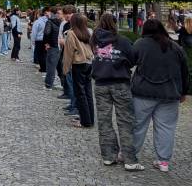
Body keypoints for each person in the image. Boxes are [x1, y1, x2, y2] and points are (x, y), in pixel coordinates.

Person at [131, 19, 189, 173]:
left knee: (137, 125)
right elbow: (185, 72)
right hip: (170, 93)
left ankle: (129, 154)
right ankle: (163, 161)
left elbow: (129, 62)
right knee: (166, 128)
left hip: (143, 92)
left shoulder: (140, 44)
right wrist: (183, 92)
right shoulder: (175, 47)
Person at [89, 13, 142, 170]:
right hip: (120, 83)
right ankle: (129, 159)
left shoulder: (94, 40)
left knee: (104, 121)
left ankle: (108, 156)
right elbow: (133, 59)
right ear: (115, 23)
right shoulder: (123, 41)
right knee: (125, 121)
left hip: (100, 83)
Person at [62, 14, 94, 128]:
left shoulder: (71, 33)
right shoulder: (88, 32)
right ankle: (90, 119)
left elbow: (68, 52)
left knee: (80, 93)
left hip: (79, 64)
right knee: (88, 93)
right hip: (89, 63)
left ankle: (85, 121)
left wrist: (65, 69)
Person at [43, 7, 62, 89]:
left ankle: (48, 84)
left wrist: (46, 43)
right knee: (60, 66)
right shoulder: (63, 22)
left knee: (51, 65)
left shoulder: (50, 21)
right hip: (61, 46)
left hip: (53, 46)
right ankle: (63, 84)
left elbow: (46, 33)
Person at [31, 7, 50, 72]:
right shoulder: (48, 21)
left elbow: (34, 32)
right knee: (45, 54)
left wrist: (33, 40)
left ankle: (42, 67)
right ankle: (45, 66)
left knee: (39, 54)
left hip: (38, 39)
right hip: (46, 39)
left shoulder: (37, 22)